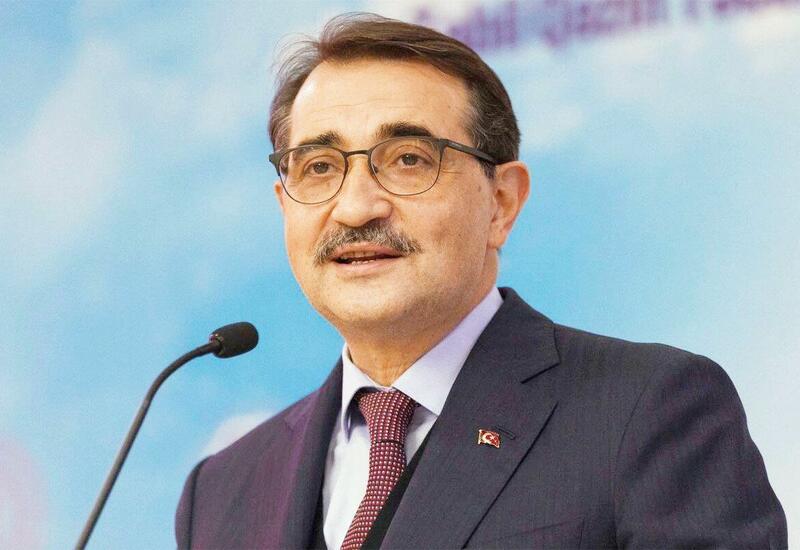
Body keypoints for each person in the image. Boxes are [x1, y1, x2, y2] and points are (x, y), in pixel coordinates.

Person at [175, 13, 786, 549]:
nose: (355, 208)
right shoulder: (222, 489)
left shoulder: (646, 409)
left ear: (501, 202)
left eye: (408, 159)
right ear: (285, 207)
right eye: (318, 167)